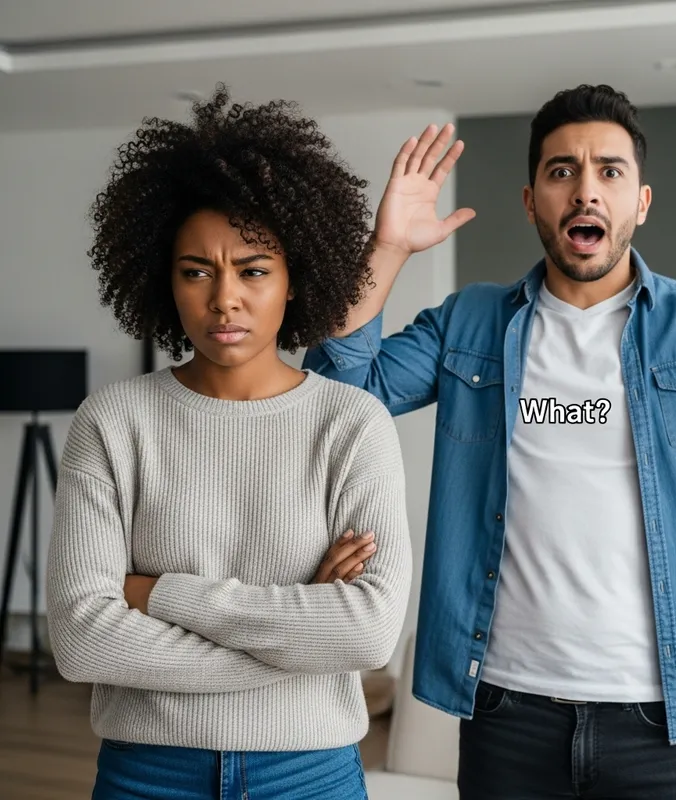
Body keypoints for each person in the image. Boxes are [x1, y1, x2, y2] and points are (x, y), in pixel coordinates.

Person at [303, 83, 676, 799]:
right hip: (507, 710)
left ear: (642, 202)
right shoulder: (468, 324)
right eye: (562, 171)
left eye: (610, 171)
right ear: (532, 199)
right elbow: (338, 395)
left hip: (664, 722)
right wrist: (386, 250)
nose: (585, 191)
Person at [45, 84, 412, 800]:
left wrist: (160, 594)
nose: (224, 301)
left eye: (252, 271)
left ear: (295, 280)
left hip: (310, 774)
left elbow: (368, 635)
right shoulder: (113, 422)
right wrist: (298, 633)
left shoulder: (352, 424)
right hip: (147, 774)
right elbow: (83, 638)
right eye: (196, 272)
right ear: (164, 282)